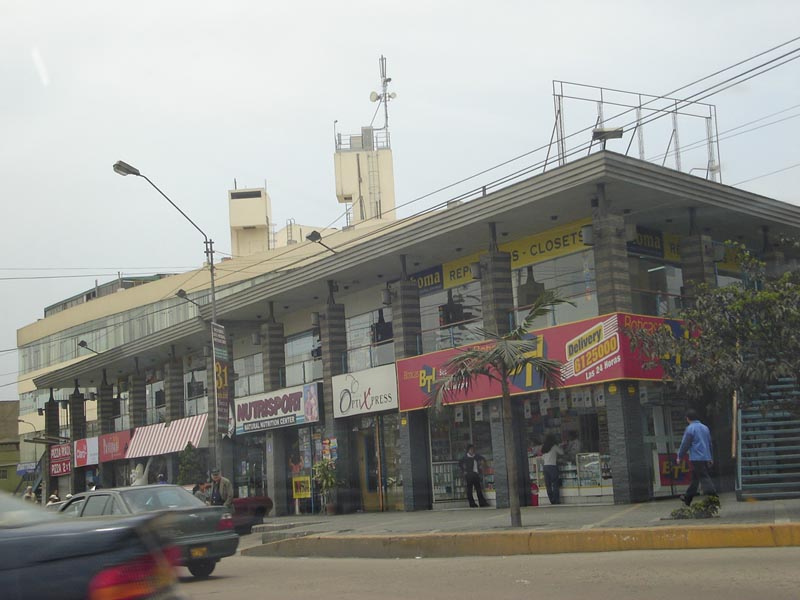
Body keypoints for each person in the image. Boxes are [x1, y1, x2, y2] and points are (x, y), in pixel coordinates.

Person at [677, 408, 718, 506]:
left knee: (704, 478)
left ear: (688, 418)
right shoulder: (705, 428)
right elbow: (709, 443)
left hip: (696, 457)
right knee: (695, 479)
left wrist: (680, 456)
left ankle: (713, 497)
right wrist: (711, 457)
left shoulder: (690, 428)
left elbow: (685, 444)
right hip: (705, 457)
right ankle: (687, 498)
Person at [540, 433, 564, 505]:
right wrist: (560, 446)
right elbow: (562, 453)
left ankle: (551, 500)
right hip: (552, 466)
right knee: (555, 484)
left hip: (545, 467)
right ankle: (556, 500)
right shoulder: (554, 446)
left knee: (548, 485)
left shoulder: (543, 447)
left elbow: (542, 458)